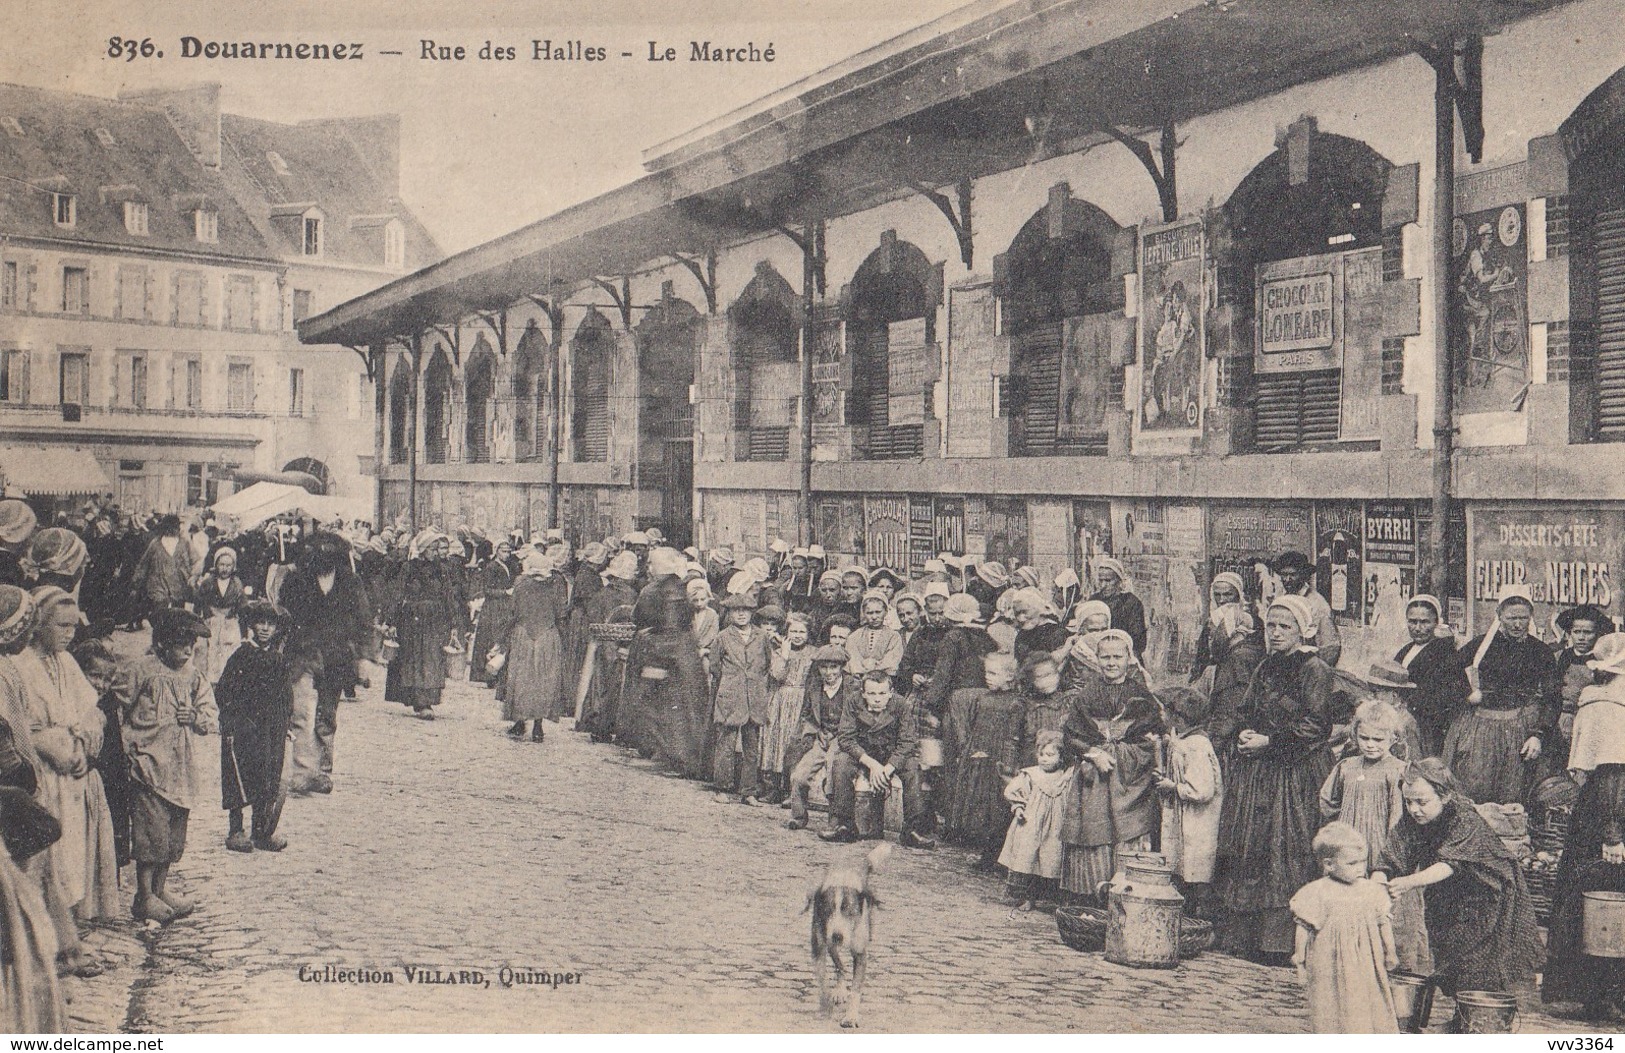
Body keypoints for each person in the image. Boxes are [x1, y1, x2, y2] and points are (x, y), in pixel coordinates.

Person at [1214, 595, 1336, 962]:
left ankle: (1280, 943)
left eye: (1286, 627)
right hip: (1259, 773)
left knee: (1286, 850)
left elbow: (1316, 725)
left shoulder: (1314, 668)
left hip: (1293, 772)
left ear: (1303, 631)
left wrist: (1271, 741)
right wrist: (1242, 733)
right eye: (1272, 625)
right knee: (1252, 848)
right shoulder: (1265, 666)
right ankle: (1246, 937)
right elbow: (1246, 709)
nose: (1277, 633)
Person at [1375, 759, 1543, 1004]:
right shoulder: (1414, 819)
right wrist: (1378, 880)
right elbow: (1392, 855)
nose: (1414, 809)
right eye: (1408, 802)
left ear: (1444, 797)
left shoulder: (1465, 819)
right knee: (1449, 954)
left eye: (1422, 802)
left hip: (1487, 896)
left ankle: (1476, 1021)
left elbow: (1449, 865)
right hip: (1448, 895)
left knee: (1477, 961)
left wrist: (1408, 882)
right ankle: (1463, 1015)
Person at [12, 587, 117, 978]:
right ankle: (51, 946)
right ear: (38, 623)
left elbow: (91, 710)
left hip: (72, 777)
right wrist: (53, 747)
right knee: (45, 862)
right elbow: (22, 728)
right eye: (62, 625)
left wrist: (86, 749)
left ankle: (68, 937)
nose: (70, 633)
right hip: (41, 778)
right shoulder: (19, 666)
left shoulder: (67, 663)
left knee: (71, 858)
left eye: (74, 626)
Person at [115, 607, 216, 924]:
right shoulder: (142, 670)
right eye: (181, 643)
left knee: (173, 834)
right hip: (148, 765)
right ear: (161, 643)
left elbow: (209, 714)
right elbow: (118, 706)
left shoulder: (193, 676)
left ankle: (160, 889)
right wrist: (128, 746)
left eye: (192, 645)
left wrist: (197, 719)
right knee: (151, 835)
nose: (188, 650)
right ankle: (143, 895)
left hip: (178, 767)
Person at [1543, 631, 1625, 1020]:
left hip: (1596, 811)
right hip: (1611, 814)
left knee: (1591, 901)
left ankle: (1595, 993)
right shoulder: (1612, 703)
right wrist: (1613, 835)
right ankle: (1607, 995)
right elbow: (1611, 770)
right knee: (1607, 904)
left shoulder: (1596, 697)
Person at [1320, 697, 1429, 973]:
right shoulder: (1346, 767)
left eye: (1378, 740)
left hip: (1380, 850)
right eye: (1365, 737)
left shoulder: (1397, 771)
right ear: (1355, 734)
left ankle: (1384, 962)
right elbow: (1327, 800)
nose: (1370, 745)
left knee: (1382, 908)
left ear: (1393, 738)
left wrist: (1389, 855)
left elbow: (1399, 818)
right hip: (1349, 849)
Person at [1058, 630, 1164, 902]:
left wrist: (1128, 753)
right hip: (1095, 775)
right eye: (1105, 657)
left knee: (1129, 831)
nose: (1111, 662)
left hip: (1131, 777)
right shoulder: (1087, 693)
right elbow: (1071, 735)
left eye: (1118, 656)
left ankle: (1124, 893)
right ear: (1097, 658)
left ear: (1129, 658)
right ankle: (1090, 895)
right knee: (1094, 829)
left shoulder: (1141, 694)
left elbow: (1152, 737)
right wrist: (1092, 753)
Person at [1448, 585, 1557, 805]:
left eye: (1523, 618)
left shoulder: (1540, 652)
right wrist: (1467, 694)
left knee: (1512, 794)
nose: (1518, 624)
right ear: (1499, 616)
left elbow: (1552, 698)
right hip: (1479, 728)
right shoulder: (1482, 645)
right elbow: (1448, 669)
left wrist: (1538, 735)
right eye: (1511, 618)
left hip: (1520, 728)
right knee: (1474, 788)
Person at [1290, 822, 1399, 1034]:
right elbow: (1303, 927)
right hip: (1329, 961)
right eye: (1352, 863)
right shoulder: (1317, 892)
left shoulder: (1372, 891)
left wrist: (1391, 953)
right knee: (1330, 1003)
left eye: (1363, 862)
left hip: (1367, 962)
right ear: (1329, 865)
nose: (1360, 868)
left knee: (1367, 1001)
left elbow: (1383, 922)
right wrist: (1300, 960)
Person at [283, 532, 371, 793]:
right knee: (302, 712)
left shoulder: (350, 583)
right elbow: (284, 614)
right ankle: (302, 771)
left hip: (337, 657)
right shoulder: (297, 580)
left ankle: (322, 770)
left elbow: (363, 621)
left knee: (326, 714)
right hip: (303, 655)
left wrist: (363, 658)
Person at [821, 672, 933, 849]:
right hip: (863, 753)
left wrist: (887, 769)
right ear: (863, 693)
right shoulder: (853, 701)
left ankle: (913, 830)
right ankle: (844, 824)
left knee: (913, 767)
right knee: (841, 762)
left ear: (891, 692)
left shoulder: (901, 705)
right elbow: (846, 738)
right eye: (872, 694)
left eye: (882, 693)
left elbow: (907, 741)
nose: (877, 699)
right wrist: (872, 764)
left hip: (891, 754)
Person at [625, 547, 709, 779]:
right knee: (685, 710)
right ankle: (682, 760)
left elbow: (640, 619)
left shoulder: (654, 590)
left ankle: (677, 760)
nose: (648, 568)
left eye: (652, 563)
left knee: (657, 708)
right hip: (684, 656)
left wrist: (658, 661)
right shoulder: (680, 587)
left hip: (665, 655)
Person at [214, 600, 291, 854]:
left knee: (268, 774)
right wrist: (230, 721)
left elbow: (285, 696)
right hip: (243, 726)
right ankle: (235, 830)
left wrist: (285, 724)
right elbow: (224, 691)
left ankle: (261, 830)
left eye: (271, 624)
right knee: (238, 773)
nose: (266, 629)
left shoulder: (279, 660)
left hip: (270, 728)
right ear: (252, 625)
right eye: (261, 623)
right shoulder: (241, 656)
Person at [943, 652, 1024, 865]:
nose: (987, 677)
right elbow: (973, 728)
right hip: (978, 755)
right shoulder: (983, 698)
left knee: (997, 806)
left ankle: (998, 855)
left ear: (1009, 677)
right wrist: (970, 751)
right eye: (986, 672)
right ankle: (986, 852)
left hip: (997, 760)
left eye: (993, 673)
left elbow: (1013, 736)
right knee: (979, 803)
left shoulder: (1015, 703)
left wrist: (1007, 764)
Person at [384, 529, 466, 723]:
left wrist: (454, 622)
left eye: (437, 548)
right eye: (431, 548)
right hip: (412, 619)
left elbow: (448, 596)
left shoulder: (442, 569)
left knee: (432, 659)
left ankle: (429, 699)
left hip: (436, 620)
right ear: (422, 549)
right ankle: (421, 702)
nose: (435, 552)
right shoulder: (409, 567)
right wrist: (392, 621)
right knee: (415, 658)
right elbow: (398, 593)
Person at [494, 546, 570, 743]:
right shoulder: (556, 585)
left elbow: (512, 613)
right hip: (547, 636)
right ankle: (538, 726)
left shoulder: (520, 584)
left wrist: (502, 639)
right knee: (543, 682)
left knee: (521, 680)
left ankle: (520, 723)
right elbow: (561, 614)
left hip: (523, 636)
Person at [1156, 686, 1223, 909]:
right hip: (1186, 820)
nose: (1161, 715)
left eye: (1165, 711)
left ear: (1179, 718)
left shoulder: (1196, 746)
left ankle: (1198, 920)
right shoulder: (1184, 741)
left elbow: (1202, 791)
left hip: (1198, 821)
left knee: (1197, 871)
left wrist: (1173, 787)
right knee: (1184, 869)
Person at [999, 729, 1073, 911]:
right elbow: (1013, 792)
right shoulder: (1030, 775)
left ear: (1061, 757)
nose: (1044, 759)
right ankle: (1026, 897)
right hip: (1031, 825)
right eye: (1041, 754)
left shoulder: (1065, 777)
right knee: (1028, 858)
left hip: (1055, 828)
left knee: (1050, 860)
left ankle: (1048, 897)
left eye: (1050, 755)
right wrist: (1018, 808)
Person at [710, 593, 772, 804]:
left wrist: (754, 684)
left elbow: (766, 664)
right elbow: (715, 667)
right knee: (725, 745)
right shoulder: (722, 637)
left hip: (754, 698)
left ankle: (748, 791)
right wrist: (732, 682)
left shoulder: (762, 636)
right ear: (729, 613)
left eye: (745, 610)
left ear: (751, 612)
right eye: (736, 610)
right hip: (730, 697)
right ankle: (722, 788)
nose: (741, 614)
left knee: (751, 748)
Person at [786, 645, 853, 832]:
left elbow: (858, 719)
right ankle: (798, 816)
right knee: (799, 776)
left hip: (843, 740)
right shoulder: (814, 688)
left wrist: (839, 735)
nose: (829, 672)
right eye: (824, 667)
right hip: (820, 738)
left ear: (842, 667)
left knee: (833, 774)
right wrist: (817, 732)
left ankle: (835, 818)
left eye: (834, 667)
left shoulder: (853, 687)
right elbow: (806, 716)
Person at [1393, 595, 1469, 757]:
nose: (1417, 628)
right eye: (1412, 621)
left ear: (1436, 623)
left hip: (1428, 728)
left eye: (1424, 622)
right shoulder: (1406, 650)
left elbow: (1452, 694)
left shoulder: (1445, 653)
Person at [578, 551, 639, 744]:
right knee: (623, 687)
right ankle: (620, 728)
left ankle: (600, 726)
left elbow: (593, 617)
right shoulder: (633, 595)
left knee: (602, 686)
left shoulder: (602, 594)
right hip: (626, 645)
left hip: (605, 644)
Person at [1553, 604, 1615, 770]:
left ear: (1597, 634)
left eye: (1587, 633)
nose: (1581, 637)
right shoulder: (1559, 658)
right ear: (1570, 633)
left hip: (1589, 724)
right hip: (1558, 723)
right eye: (1576, 632)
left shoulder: (1605, 663)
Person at [762, 612, 813, 805]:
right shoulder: (778, 651)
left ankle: (790, 791)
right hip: (780, 698)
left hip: (801, 699)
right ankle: (771, 788)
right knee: (774, 741)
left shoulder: (813, 653)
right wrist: (784, 653)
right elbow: (777, 676)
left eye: (802, 631)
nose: (798, 635)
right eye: (794, 631)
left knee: (793, 744)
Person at [190, 546, 247, 685]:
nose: (225, 568)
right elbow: (199, 602)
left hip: (229, 623)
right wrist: (197, 621)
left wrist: (244, 632)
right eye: (221, 564)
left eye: (228, 565)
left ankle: (227, 680)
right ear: (216, 565)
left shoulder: (237, 584)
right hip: (212, 621)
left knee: (228, 650)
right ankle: (208, 681)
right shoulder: (208, 583)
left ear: (233, 566)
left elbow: (243, 608)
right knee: (209, 651)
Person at [1274, 551, 1340, 668]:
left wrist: (1315, 672)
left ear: (1303, 575)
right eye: (1283, 575)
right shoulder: (1281, 598)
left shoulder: (1317, 603)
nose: (1287, 579)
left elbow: (1330, 647)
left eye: (1293, 575)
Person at [129, 515, 193, 629]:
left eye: (175, 527)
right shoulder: (156, 543)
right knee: (158, 616)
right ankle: (158, 640)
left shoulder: (184, 543)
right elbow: (144, 563)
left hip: (178, 587)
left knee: (177, 618)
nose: (173, 530)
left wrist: (192, 576)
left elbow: (196, 560)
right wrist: (136, 581)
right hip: (157, 586)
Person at [468, 541, 516, 687]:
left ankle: (494, 674)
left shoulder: (507, 566)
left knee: (499, 638)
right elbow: (487, 590)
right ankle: (487, 675)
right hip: (493, 608)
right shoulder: (491, 567)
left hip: (503, 606)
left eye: (508, 551)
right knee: (491, 639)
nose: (506, 554)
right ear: (497, 551)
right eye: (503, 551)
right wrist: (505, 592)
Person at [1191, 572, 1247, 686]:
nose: (1222, 600)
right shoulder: (1210, 623)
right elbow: (1202, 658)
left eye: (1228, 594)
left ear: (1238, 595)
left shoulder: (1248, 622)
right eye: (1217, 595)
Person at [1089, 558, 1146, 660]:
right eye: (1100, 580)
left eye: (1108, 580)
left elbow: (1138, 642)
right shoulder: (1094, 601)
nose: (1103, 585)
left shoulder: (1131, 603)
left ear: (1119, 581)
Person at [845, 591, 902, 678]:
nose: (874, 617)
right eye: (870, 613)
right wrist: (862, 670)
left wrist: (876, 669)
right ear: (864, 613)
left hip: (884, 679)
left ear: (886, 612)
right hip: (859, 679)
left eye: (878, 612)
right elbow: (853, 659)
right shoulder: (854, 636)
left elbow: (891, 661)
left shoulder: (894, 636)